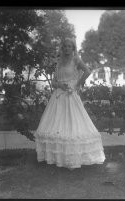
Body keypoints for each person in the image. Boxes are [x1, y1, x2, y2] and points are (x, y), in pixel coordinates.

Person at [34, 37, 105, 169]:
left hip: (71, 96)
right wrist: (60, 84)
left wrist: (77, 84)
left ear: (73, 48)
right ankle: (57, 158)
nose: (67, 48)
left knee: (73, 125)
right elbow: (54, 82)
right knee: (56, 125)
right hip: (58, 97)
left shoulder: (76, 60)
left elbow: (88, 71)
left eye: (69, 46)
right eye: (65, 46)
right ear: (62, 48)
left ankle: (73, 158)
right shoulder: (59, 62)